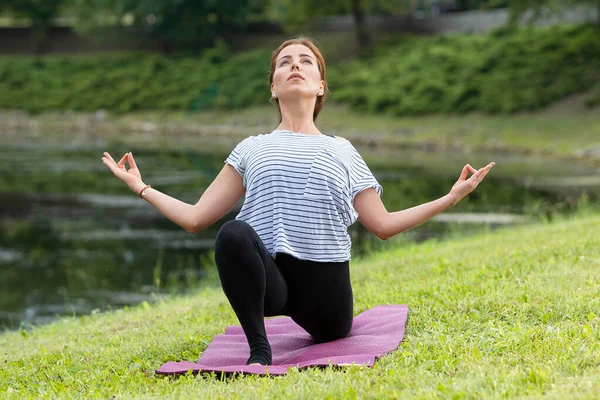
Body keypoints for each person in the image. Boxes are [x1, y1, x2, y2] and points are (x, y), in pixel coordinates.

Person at [101, 36, 495, 367]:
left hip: (326, 297)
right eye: (284, 62)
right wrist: (141, 186)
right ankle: (260, 350)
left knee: (320, 309)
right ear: (272, 86)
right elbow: (194, 218)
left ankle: (283, 336)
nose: (295, 66)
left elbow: (384, 225)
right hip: (273, 285)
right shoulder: (250, 149)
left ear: (321, 85)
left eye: (306, 61)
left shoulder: (342, 150)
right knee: (232, 233)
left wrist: (450, 197)